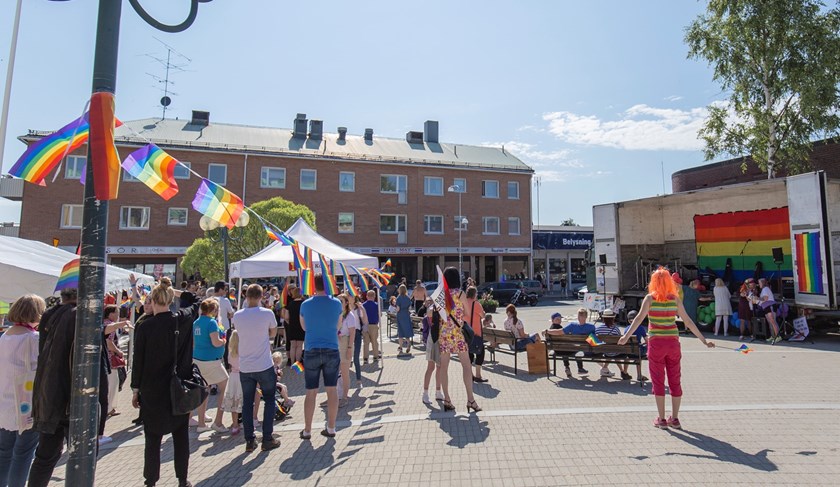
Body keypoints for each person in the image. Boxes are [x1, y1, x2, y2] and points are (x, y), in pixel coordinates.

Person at [619, 268, 715, 429]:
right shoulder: (675, 299)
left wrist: (625, 336)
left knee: (658, 381)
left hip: (656, 343)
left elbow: (638, 319)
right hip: (673, 343)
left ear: (654, 282)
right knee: (675, 380)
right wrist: (704, 340)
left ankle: (662, 419)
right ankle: (675, 419)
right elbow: (689, 322)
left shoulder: (650, 299)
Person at [130, 277, 200, 487]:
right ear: (170, 299)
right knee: (181, 437)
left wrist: (135, 390)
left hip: (152, 389)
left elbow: (138, 361)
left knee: (152, 439)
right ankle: (182, 479)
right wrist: (173, 290)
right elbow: (195, 299)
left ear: (152, 300)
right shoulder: (183, 319)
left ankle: (150, 481)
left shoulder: (144, 326)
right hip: (178, 388)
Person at [27, 288, 78, 487]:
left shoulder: (49, 315)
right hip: (71, 399)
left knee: (45, 456)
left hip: (48, 395)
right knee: (81, 457)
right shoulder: (80, 316)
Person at [0, 295, 45, 487]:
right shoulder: (33, 338)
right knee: (24, 454)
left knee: (4, 453)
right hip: (26, 404)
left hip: (4, 404)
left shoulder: (5, 335)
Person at [232, 284, 280, 453]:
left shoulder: (238, 315)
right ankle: (267, 437)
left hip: (245, 365)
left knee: (247, 402)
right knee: (269, 398)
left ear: (246, 296)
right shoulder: (267, 313)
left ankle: (249, 439)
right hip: (264, 363)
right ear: (261, 297)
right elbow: (273, 333)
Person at [299, 276, 342, 439]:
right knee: (331, 390)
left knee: (311, 392)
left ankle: (307, 430)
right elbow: (338, 325)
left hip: (311, 348)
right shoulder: (337, 303)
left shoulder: (305, 304)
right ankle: (331, 427)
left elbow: (304, 327)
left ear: (313, 285)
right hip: (331, 347)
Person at [437, 267, 481, 413]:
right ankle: (470, 399)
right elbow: (467, 313)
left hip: (444, 334)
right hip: (458, 333)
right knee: (466, 366)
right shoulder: (461, 294)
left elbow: (438, 313)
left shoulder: (441, 295)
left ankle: (447, 400)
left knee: (444, 367)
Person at [192, 299, 229, 434]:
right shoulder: (212, 322)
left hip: (198, 359)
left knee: (204, 389)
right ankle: (218, 422)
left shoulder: (196, 323)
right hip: (211, 361)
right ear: (213, 310)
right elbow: (215, 342)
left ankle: (201, 423)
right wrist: (223, 341)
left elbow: (194, 343)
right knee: (225, 387)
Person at [551, 309, 594, 378]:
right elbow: (593, 341)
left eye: (559, 319)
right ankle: (580, 368)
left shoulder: (553, 329)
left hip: (557, 349)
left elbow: (561, 333)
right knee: (577, 350)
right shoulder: (591, 327)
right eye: (557, 319)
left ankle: (567, 367)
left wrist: (547, 331)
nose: (559, 320)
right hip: (574, 349)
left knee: (565, 348)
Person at [594, 310, 630, 379]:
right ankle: (622, 372)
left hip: (604, 350)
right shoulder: (615, 329)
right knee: (614, 350)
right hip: (614, 351)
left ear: (603, 318)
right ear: (613, 318)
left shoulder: (598, 329)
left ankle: (618, 371)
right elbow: (620, 341)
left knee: (611, 351)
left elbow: (594, 340)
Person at [420, 299, 443, 404]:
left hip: (442, 339)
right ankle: (425, 393)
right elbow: (429, 313)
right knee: (431, 367)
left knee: (440, 367)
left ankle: (438, 391)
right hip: (433, 338)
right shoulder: (431, 309)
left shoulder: (442, 308)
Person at [221, 329, 243, 436]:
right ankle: (244, 422)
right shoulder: (243, 351)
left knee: (234, 401)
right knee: (243, 401)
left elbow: (230, 363)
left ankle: (235, 425)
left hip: (233, 377)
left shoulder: (230, 353)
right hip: (241, 376)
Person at [464, 286, 487, 383]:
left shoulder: (463, 303)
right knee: (480, 353)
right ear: (474, 294)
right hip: (476, 332)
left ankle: (471, 375)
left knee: (469, 354)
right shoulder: (476, 304)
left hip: (466, 333)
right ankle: (478, 375)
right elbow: (483, 316)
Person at [337, 294, 357, 407]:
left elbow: (352, 333)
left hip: (345, 343)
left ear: (346, 303)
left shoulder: (350, 316)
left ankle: (344, 396)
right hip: (336, 343)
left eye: (341, 301)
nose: (339, 303)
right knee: (334, 373)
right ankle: (336, 395)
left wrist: (349, 348)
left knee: (344, 372)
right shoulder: (336, 314)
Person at [282, 286, 305, 365]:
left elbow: (286, 317)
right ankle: (297, 364)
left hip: (292, 326)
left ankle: (292, 363)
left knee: (292, 346)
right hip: (301, 326)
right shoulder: (303, 303)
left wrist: (290, 322)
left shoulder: (290, 304)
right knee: (299, 346)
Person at [756, 278, 781, 343]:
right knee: (770, 322)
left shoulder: (765, 289)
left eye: (759, 283)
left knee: (773, 321)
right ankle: (773, 336)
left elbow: (765, 298)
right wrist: (756, 300)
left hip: (770, 306)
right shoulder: (763, 290)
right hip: (766, 307)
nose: (759, 284)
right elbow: (762, 301)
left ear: (763, 283)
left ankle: (778, 336)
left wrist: (757, 298)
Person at [351, 294, 367, 386]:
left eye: (350, 295)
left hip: (356, 333)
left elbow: (364, 321)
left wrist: (362, 309)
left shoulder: (358, 309)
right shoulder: (343, 309)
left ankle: (358, 378)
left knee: (356, 356)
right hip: (347, 334)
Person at [361, 290, 380, 363]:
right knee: (374, 341)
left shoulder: (363, 305)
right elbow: (379, 314)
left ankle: (365, 358)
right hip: (374, 325)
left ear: (367, 296)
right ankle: (375, 356)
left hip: (365, 325)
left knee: (366, 342)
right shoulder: (376, 305)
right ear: (374, 296)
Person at [395, 285, 413, 355]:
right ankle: (408, 343)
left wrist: (396, 310)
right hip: (406, 314)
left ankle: (401, 347)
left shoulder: (398, 298)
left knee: (400, 331)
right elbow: (410, 308)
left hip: (400, 315)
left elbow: (398, 309)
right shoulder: (408, 298)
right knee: (406, 330)